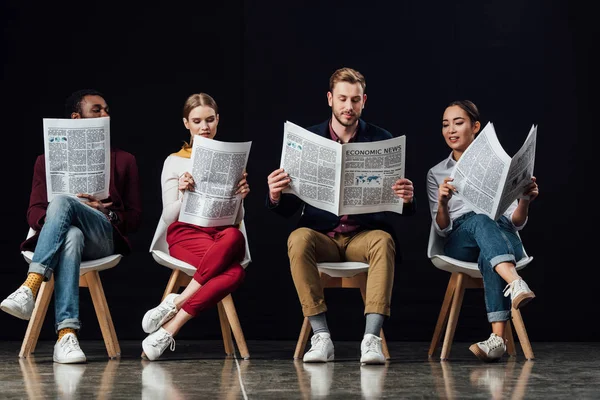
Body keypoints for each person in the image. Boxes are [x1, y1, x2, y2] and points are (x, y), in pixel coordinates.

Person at [267, 67, 416, 365]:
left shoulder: (380, 138)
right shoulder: (309, 138)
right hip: (322, 235)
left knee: (384, 241)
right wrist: (274, 195)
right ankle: (321, 337)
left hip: (363, 234)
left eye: (356, 100)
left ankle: (371, 339)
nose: (349, 107)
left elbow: (400, 210)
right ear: (330, 99)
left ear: (364, 101)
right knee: (297, 239)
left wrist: (406, 198)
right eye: (343, 99)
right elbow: (288, 207)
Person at [0, 89, 142, 363]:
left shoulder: (125, 160)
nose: (106, 114)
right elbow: (34, 212)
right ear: (77, 118)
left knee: (64, 203)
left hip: (102, 236)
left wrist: (105, 211)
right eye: (97, 110)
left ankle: (30, 285)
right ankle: (67, 335)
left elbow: (135, 218)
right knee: (71, 232)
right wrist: (58, 216)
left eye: (107, 109)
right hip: (67, 239)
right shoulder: (45, 161)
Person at [426, 100, 539, 362]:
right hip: (460, 238)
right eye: (446, 125)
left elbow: (516, 222)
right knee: (479, 220)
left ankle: (497, 340)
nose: (451, 130)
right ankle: (515, 282)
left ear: (475, 127)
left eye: (458, 122)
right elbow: (442, 230)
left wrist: (524, 200)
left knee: (489, 249)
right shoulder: (436, 172)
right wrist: (442, 202)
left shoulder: (500, 164)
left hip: (499, 233)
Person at [142, 93, 250, 361]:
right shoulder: (174, 161)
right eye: (197, 121)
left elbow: (236, 219)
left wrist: (241, 198)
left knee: (234, 235)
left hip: (220, 235)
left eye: (210, 120)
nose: (205, 127)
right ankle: (169, 328)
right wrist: (183, 193)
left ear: (218, 120)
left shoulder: (230, 159)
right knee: (234, 274)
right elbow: (168, 217)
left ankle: (174, 309)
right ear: (186, 123)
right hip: (185, 234)